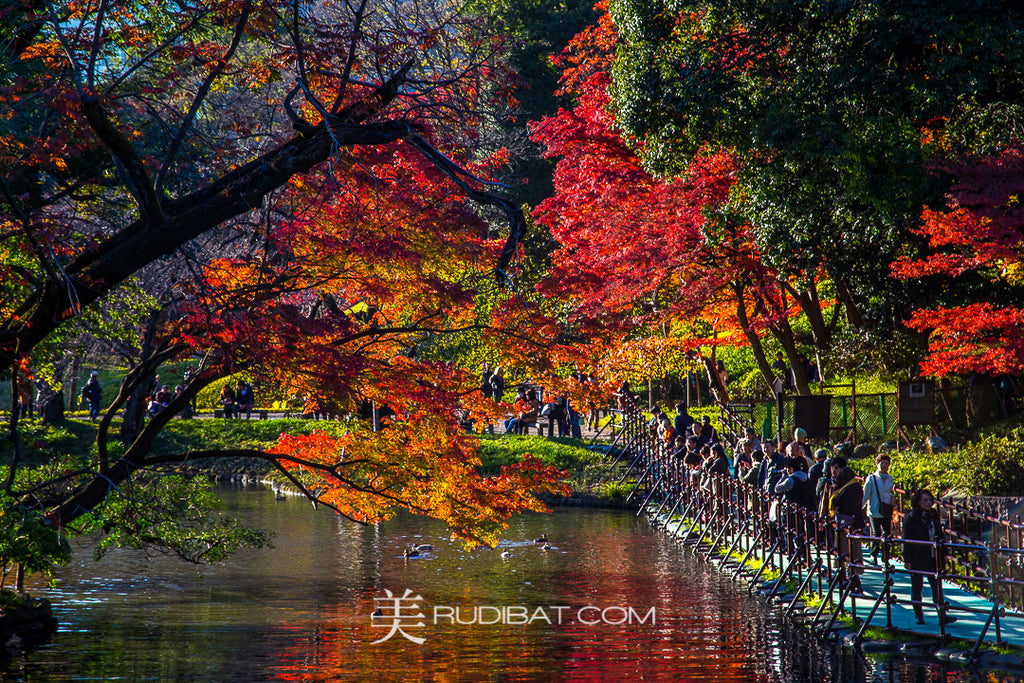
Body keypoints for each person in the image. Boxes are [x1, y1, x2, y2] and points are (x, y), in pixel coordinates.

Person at [903, 489, 956, 625]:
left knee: (936, 586)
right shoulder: (911, 518)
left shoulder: (933, 515)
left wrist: (943, 553)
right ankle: (918, 615)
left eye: (929, 500)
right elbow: (906, 540)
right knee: (917, 586)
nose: (928, 503)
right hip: (917, 556)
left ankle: (942, 615)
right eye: (925, 500)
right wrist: (907, 559)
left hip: (933, 556)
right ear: (918, 501)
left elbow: (939, 534)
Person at [829, 466, 864, 587]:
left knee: (844, 550)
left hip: (846, 523)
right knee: (854, 552)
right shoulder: (858, 486)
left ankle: (847, 578)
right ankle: (853, 577)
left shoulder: (847, 489)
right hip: (855, 522)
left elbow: (838, 501)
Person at [863, 454, 895, 561]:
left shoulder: (890, 479)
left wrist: (892, 497)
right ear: (877, 464)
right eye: (882, 463)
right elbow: (866, 494)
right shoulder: (871, 479)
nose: (884, 466)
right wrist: (860, 507)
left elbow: (889, 492)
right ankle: (874, 554)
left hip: (886, 510)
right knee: (876, 533)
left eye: (886, 463)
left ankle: (886, 556)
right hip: (874, 509)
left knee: (886, 533)